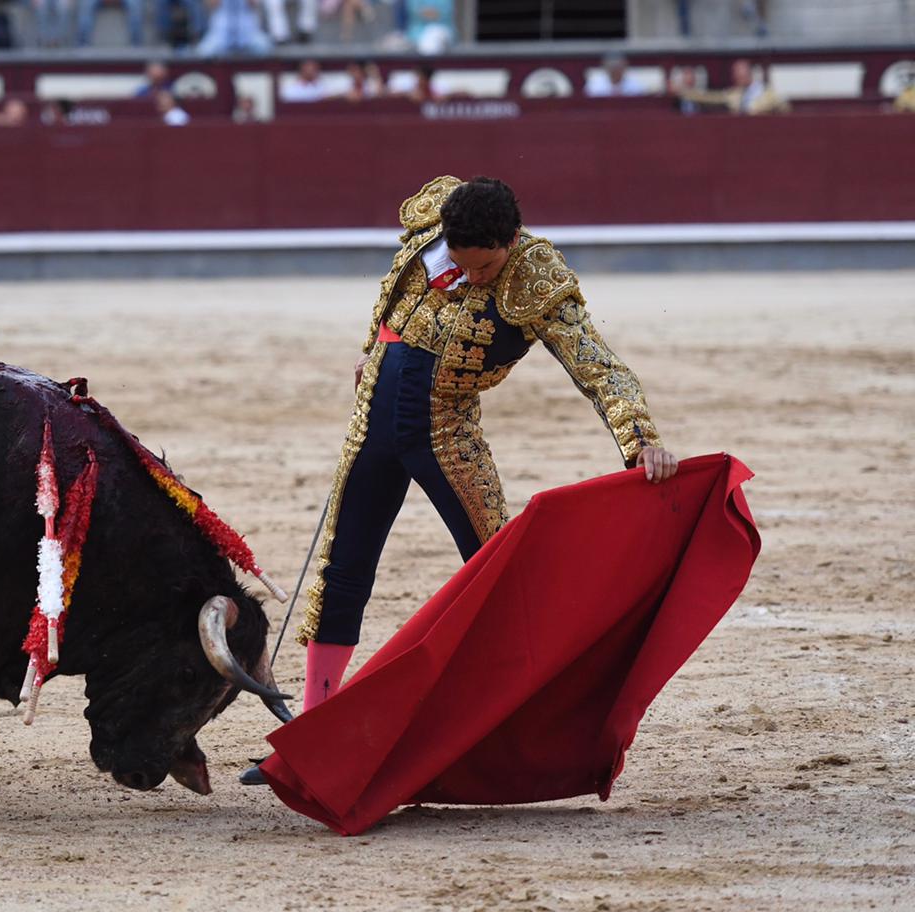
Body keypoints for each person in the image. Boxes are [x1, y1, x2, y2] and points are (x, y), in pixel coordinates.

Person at [241, 176, 677, 785]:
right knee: (342, 573)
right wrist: (374, 350)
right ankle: (310, 743)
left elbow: (596, 365)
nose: (475, 276)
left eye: (487, 267)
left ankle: (505, 723)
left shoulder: (536, 276)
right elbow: (396, 303)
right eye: (466, 264)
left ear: (509, 242)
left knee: (498, 578)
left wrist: (640, 438)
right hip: (372, 425)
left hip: (445, 435)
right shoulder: (432, 230)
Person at [677, 58, 788, 115]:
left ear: (749, 73)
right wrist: (685, 93)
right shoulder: (734, 93)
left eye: (739, 72)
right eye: (735, 73)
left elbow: (783, 107)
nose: (736, 76)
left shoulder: (767, 92)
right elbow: (711, 97)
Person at [196, 0, 274, 56]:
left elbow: (253, 4)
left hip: (247, 29)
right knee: (204, 52)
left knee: (265, 48)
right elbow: (211, 4)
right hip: (221, 30)